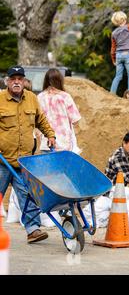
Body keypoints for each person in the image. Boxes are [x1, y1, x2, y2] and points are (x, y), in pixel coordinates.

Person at [0, 65, 56, 243]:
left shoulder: (31, 98)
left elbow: (41, 120)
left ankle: (33, 230)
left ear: (24, 81)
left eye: (20, 79)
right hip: (2, 160)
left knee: (27, 194)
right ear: (7, 81)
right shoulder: (0, 99)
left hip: (23, 160)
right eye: (13, 79)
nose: (16, 82)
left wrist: (51, 135)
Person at [37, 69, 81, 152]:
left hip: (46, 143)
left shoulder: (39, 97)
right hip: (64, 144)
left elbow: (36, 120)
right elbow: (75, 120)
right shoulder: (65, 97)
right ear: (60, 81)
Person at [110, 5, 129, 95]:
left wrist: (113, 59)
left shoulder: (114, 33)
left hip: (118, 55)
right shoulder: (128, 27)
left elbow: (113, 48)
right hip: (127, 54)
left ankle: (112, 93)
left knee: (118, 76)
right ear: (124, 19)